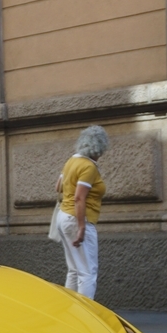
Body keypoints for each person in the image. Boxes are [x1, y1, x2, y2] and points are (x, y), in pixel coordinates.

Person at [55, 125, 109, 299]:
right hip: (78, 219)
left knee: (74, 270)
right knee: (87, 273)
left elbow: (58, 187)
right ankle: (86, 318)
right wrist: (82, 228)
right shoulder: (88, 166)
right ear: (99, 147)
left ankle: (70, 311)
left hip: (63, 216)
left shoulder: (72, 161)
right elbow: (79, 198)